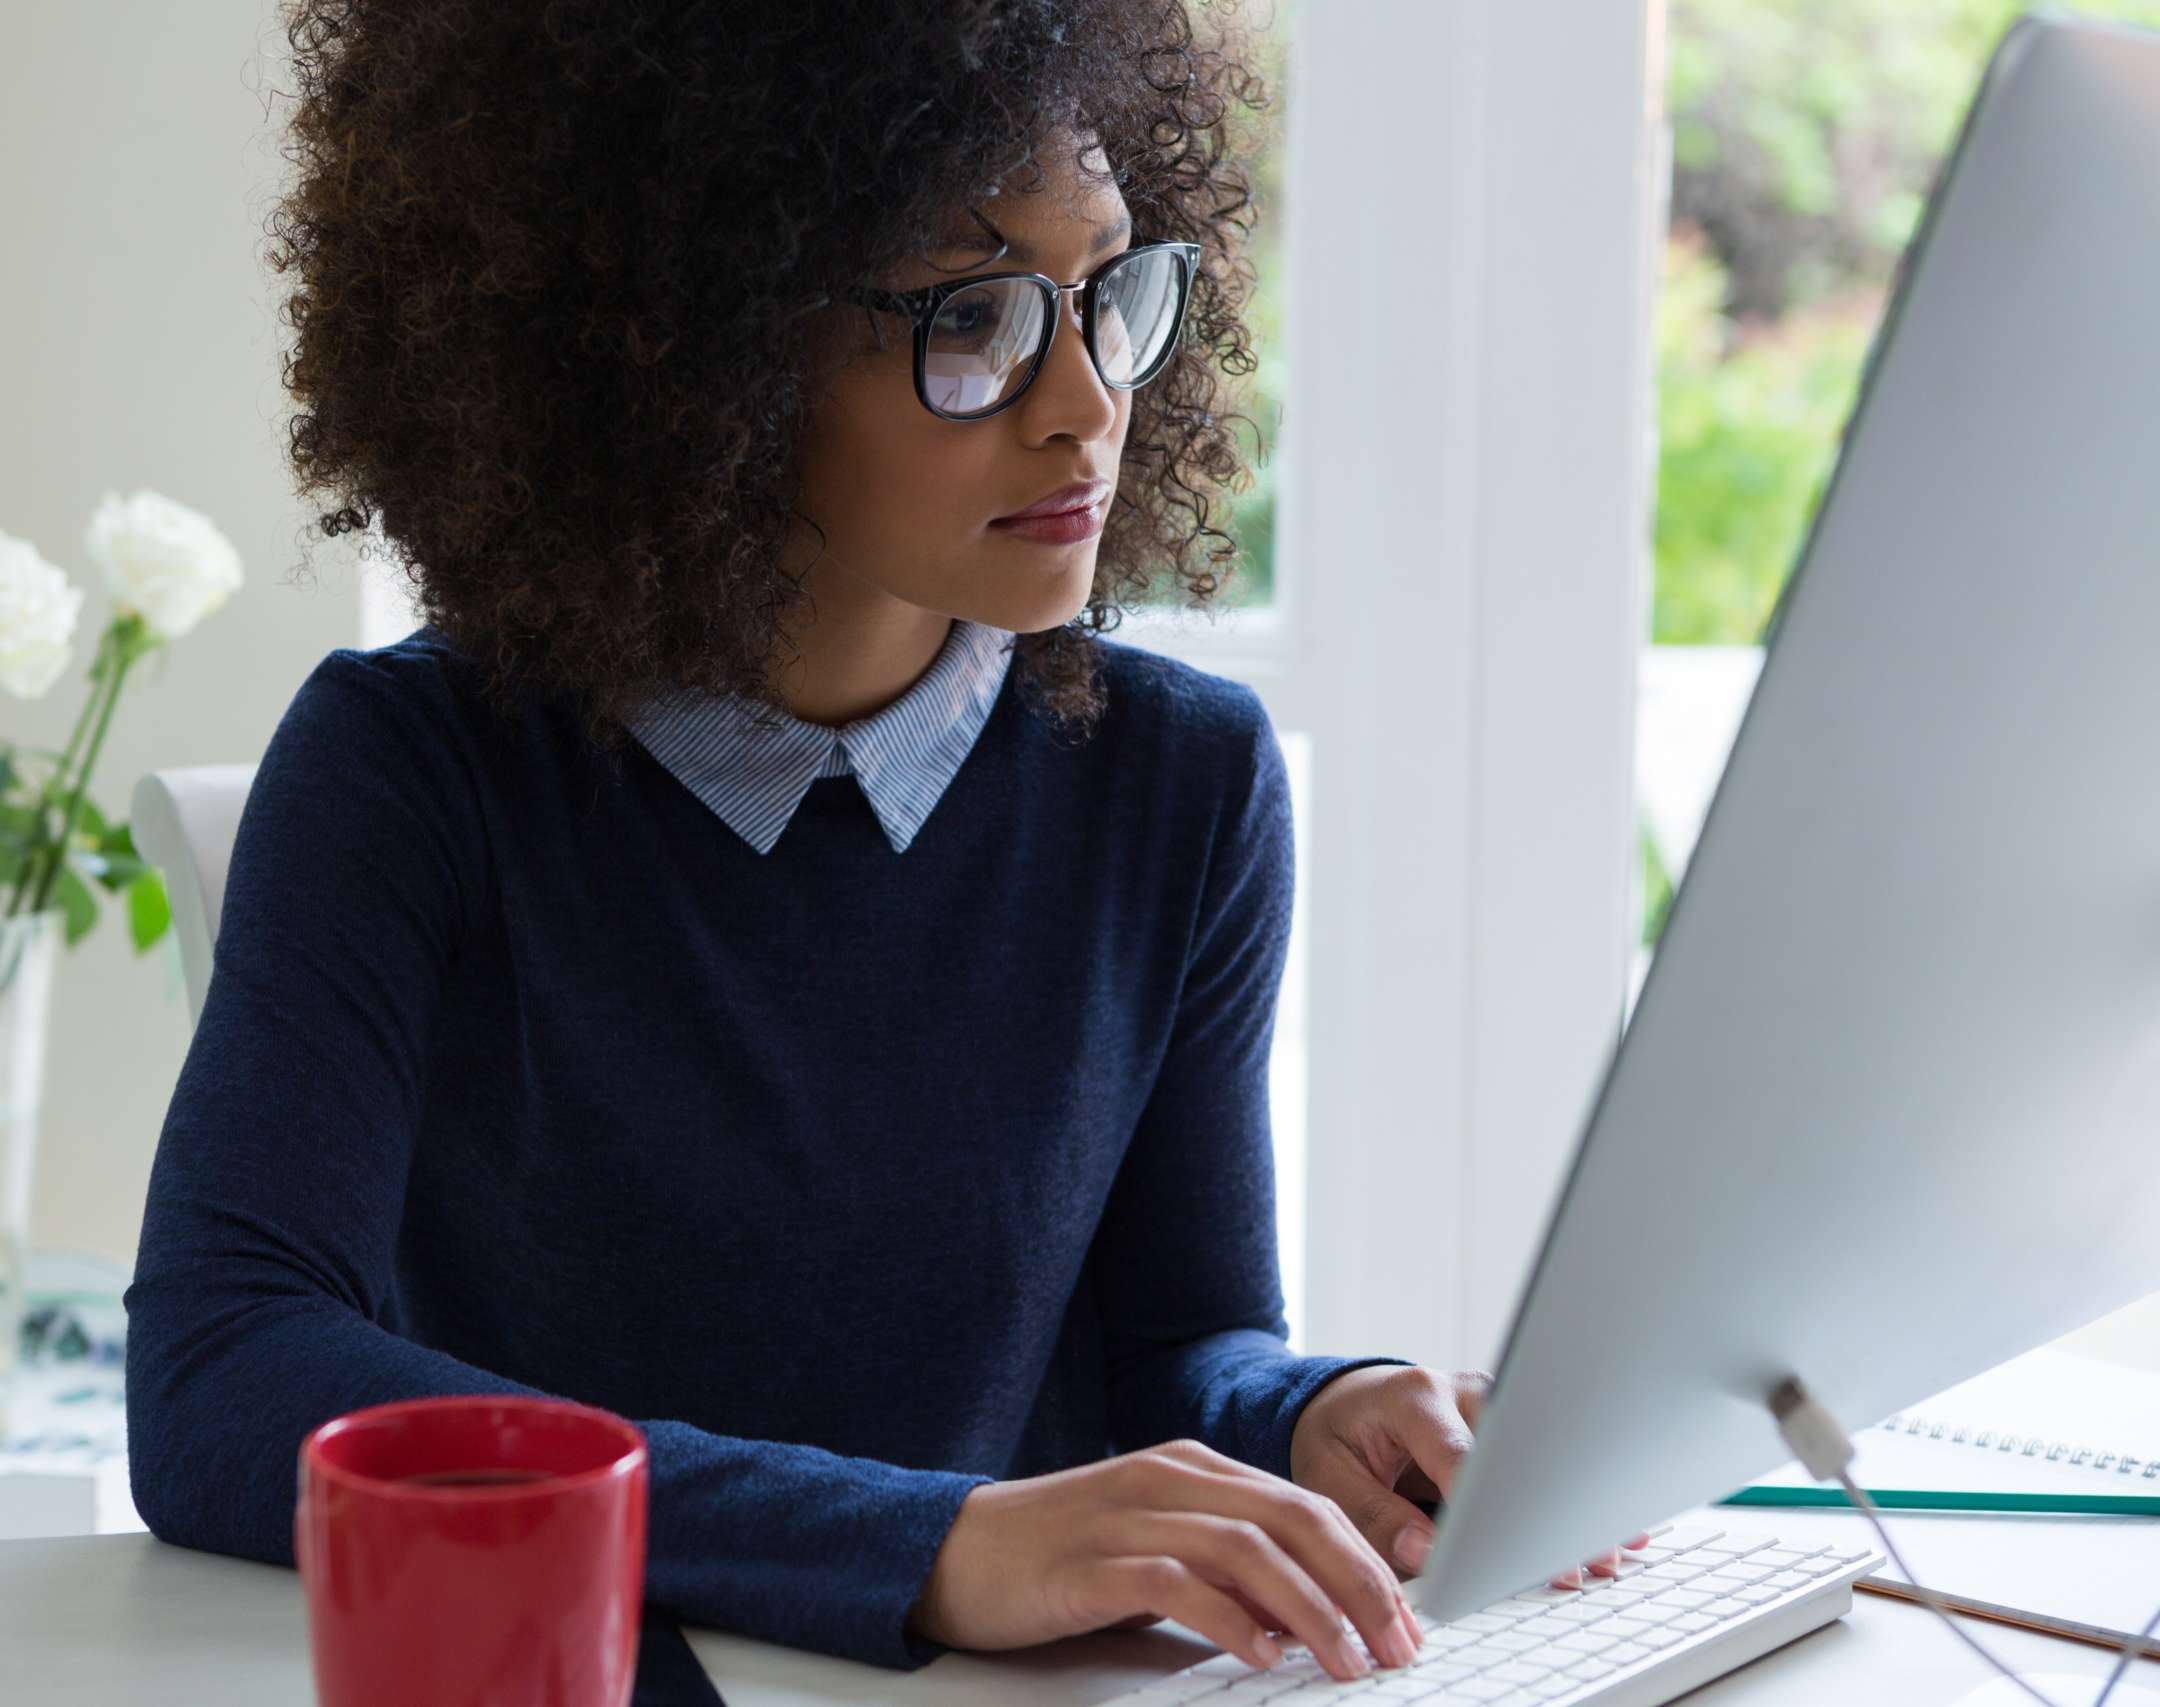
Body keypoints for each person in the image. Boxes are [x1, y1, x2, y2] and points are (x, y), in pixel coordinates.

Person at [123, 0, 1640, 1686]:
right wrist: (927, 1545)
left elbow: (1173, 1340)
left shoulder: (1181, 785)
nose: (1083, 404)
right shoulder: (413, 773)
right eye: (973, 315)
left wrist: (1310, 1416)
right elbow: (222, 1375)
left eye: (1108, 295)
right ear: (693, 348)